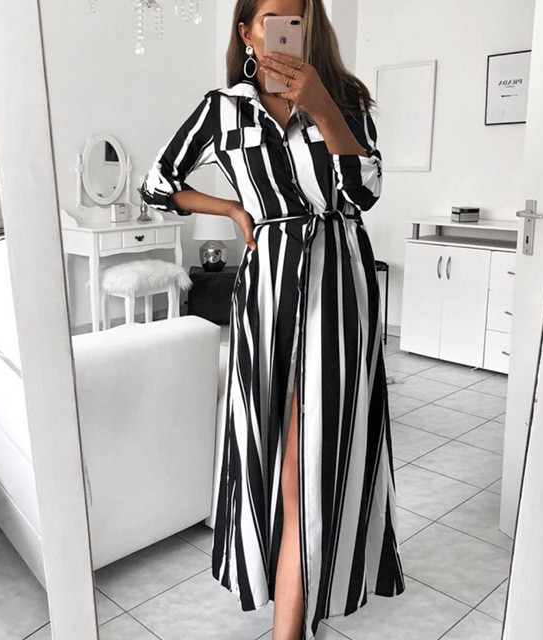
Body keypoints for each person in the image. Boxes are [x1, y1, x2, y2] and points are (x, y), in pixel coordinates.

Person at [141, 1, 406, 638]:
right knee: (283, 455)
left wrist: (321, 107)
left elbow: (364, 192)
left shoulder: (344, 99)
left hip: (340, 284)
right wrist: (234, 210)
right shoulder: (223, 110)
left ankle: (297, 614)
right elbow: (158, 182)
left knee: (323, 451)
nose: (288, 31)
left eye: (298, 19)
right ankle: (294, 611)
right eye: (273, 20)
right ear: (247, 33)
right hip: (268, 289)